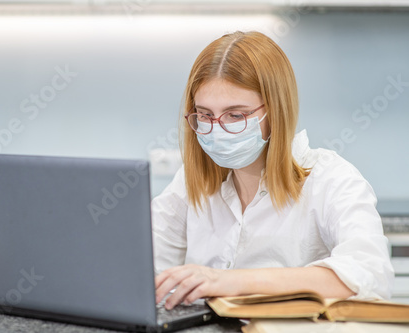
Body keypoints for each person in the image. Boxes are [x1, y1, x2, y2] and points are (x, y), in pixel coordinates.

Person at [153, 31, 394, 310]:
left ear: (275, 111)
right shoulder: (190, 181)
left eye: (236, 115)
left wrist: (230, 281)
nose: (217, 129)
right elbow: (147, 265)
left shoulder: (331, 180)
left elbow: (370, 277)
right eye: (205, 115)